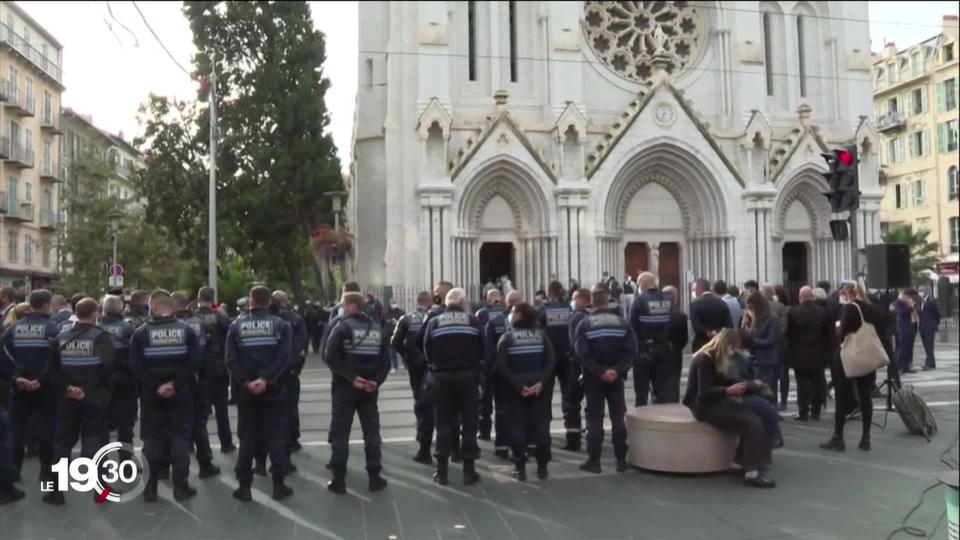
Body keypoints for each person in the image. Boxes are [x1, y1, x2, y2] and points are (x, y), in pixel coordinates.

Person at [129, 290, 200, 502]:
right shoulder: (186, 331)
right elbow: (194, 362)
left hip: (151, 394)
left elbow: (136, 367)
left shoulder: (141, 333)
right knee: (180, 438)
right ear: (171, 308)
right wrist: (175, 384)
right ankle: (181, 487)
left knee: (152, 440)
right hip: (181, 392)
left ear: (153, 308)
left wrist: (155, 386)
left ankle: (150, 489)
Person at [42, 298, 115, 505]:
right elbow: (108, 370)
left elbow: (51, 371)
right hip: (94, 397)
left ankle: (55, 490)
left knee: (63, 444)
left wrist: (68, 388)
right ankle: (101, 492)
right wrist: (87, 391)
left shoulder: (60, 337)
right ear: (95, 314)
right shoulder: (102, 338)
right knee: (96, 441)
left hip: (67, 398)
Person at [225, 286, 294, 501]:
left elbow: (230, 360)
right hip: (275, 389)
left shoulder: (236, 326)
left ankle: (244, 486)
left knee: (247, 438)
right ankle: (279, 484)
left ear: (250, 302)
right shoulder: (282, 326)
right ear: (270, 302)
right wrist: (265, 379)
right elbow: (284, 358)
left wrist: (247, 382)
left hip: (246, 392)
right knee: (276, 436)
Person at [683, 329, 776, 487]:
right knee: (752, 423)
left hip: (711, 402)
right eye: (732, 348)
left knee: (751, 419)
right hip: (704, 407)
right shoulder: (704, 360)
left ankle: (741, 463)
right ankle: (750, 471)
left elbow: (723, 379)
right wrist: (728, 391)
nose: (733, 353)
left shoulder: (710, 357)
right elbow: (703, 393)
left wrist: (749, 385)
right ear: (726, 345)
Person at [422, 288, 484, 486]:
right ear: (463, 302)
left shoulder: (434, 322)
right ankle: (468, 471)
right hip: (468, 379)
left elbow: (427, 351)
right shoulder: (473, 322)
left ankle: (442, 473)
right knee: (469, 424)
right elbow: (484, 351)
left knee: (443, 425)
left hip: (441, 380)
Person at [574, 285, 638, 474]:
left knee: (595, 418)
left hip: (593, 377)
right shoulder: (622, 323)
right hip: (616, 377)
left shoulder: (585, 324)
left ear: (592, 301)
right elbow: (631, 351)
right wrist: (616, 370)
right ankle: (620, 460)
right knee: (618, 417)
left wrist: (600, 371)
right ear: (608, 299)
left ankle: (595, 461)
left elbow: (581, 353)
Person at [2, 290, 60, 487]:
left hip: (19, 387)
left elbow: (4, 354)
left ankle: (15, 469)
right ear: (45, 305)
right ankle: (45, 470)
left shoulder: (14, 328)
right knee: (47, 429)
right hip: (46, 387)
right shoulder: (54, 329)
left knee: (17, 430)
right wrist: (40, 379)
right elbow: (56, 359)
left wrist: (17, 377)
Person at [497, 302, 556, 481]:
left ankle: (519, 467)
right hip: (539, 388)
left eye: (513, 311)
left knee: (517, 427)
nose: (511, 313)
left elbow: (501, 366)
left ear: (520, 315)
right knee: (541, 426)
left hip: (516, 389)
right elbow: (551, 361)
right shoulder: (541, 335)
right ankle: (542, 467)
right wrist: (541, 383)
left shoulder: (507, 338)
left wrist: (519, 386)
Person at [821, 282, 880, 453]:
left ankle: (838, 437)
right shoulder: (870, 308)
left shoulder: (850, 308)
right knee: (865, 397)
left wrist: (839, 327)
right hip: (867, 356)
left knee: (842, 397)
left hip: (849, 357)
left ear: (847, 293)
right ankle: (865, 437)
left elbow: (842, 333)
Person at [172, 292, 221, 479]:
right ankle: (205, 464)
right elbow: (212, 353)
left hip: (173, 382)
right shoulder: (201, 324)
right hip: (198, 379)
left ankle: (166, 468)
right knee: (199, 423)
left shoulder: (165, 326)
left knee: (174, 426)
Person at [391, 291, 434, 464]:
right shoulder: (436, 317)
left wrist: (407, 357)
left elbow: (394, 342)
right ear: (429, 301)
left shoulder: (406, 318)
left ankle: (421, 430)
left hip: (415, 365)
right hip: (433, 364)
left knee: (419, 398)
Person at [536, 281, 578, 450]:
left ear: (548, 292)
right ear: (562, 292)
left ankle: (544, 439)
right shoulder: (570, 310)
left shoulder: (541, 311)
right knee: (571, 398)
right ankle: (573, 438)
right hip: (568, 359)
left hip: (548, 360)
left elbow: (537, 334)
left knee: (544, 400)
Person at [194, 287, 235, 453]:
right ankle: (226, 443)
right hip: (218, 367)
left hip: (198, 369)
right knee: (221, 408)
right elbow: (232, 334)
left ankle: (195, 445)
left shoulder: (192, 318)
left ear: (198, 298)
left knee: (198, 411)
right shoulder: (220, 317)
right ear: (213, 299)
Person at [483, 290, 522, 459]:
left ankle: (502, 446)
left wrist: (492, 368)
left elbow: (488, 348)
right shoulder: (530, 321)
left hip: (500, 373)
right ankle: (523, 445)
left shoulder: (494, 320)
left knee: (502, 410)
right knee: (521, 410)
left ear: (507, 302)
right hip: (523, 372)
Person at [271, 290, 308, 458]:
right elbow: (302, 343)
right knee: (292, 405)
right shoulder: (296, 319)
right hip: (291, 370)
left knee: (275, 408)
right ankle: (293, 438)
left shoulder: (270, 319)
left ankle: (279, 439)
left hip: (273, 371)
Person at [99, 295, 138, 449]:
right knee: (125, 425)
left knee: (101, 424)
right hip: (125, 381)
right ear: (121, 309)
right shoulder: (129, 329)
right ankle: (126, 465)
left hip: (101, 382)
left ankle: (102, 466)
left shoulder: (95, 328)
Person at [629, 272, 673, 406]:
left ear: (642, 284)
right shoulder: (668, 299)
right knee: (661, 390)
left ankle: (642, 420)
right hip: (663, 350)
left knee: (641, 391)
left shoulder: (639, 301)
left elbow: (632, 327)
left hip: (644, 350)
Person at [787, 287, 830, 421]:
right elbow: (827, 334)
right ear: (812, 296)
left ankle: (803, 411)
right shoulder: (822, 312)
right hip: (818, 352)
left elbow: (789, 334)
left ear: (800, 297)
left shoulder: (793, 312)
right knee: (817, 383)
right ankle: (816, 411)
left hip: (799, 353)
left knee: (801, 385)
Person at [564, 288, 592, 451]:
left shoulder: (577, 317)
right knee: (592, 403)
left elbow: (575, 342)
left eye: (574, 298)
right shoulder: (591, 316)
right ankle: (592, 436)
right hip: (592, 365)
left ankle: (573, 440)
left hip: (577, 365)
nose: (572, 301)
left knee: (572, 402)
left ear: (583, 299)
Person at [742, 292, 781, 393]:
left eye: (750, 308)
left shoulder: (772, 319)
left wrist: (751, 341)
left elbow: (770, 341)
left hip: (766, 361)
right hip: (751, 361)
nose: (748, 310)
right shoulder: (750, 320)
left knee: (767, 391)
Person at [690, 278, 733, 351]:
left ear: (699, 288)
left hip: (701, 345)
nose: (694, 292)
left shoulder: (695, 304)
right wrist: (718, 333)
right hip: (719, 344)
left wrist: (709, 332)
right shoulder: (722, 303)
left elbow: (696, 326)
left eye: (694, 289)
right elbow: (729, 325)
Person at [662, 285, 689, 402]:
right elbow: (685, 338)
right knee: (674, 380)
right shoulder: (681, 316)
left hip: (659, 352)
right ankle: (673, 402)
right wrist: (678, 347)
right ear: (675, 298)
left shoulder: (657, 314)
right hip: (675, 352)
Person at [766, 285, 791, 411]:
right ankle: (784, 401)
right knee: (783, 373)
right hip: (781, 343)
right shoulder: (780, 307)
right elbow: (784, 325)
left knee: (771, 375)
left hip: (766, 346)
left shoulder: (760, 306)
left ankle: (772, 401)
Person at [893, 289, 919, 374]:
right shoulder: (898, 303)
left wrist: (912, 306)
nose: (908, 298)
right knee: (902, 348)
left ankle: (906, 366)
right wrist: (911, 307)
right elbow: (902, 312)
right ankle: (899, 366)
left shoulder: (906, 303)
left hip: (909, 327)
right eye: (906, 296)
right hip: (902, 328)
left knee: (908, 348)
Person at [917, 287, 941, 371]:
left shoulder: (931, 301)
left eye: (922, 291)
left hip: (930, 326)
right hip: (922, 327)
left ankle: (928, 364)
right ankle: (932, 363)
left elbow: (937, 313)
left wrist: (935, 324)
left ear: (926, 292)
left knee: (929, 345)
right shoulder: (920, 302)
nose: (920, 293)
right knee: (926, 346)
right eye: (919, 291)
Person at [384, 299, 405, 373]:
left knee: (402, 350)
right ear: (390, 304)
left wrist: (398, 323)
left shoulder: (401, 312)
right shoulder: (386, 313)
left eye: (395, 303)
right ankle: (395, 366)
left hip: (399, 333)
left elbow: (405, 321)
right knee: (392, 351)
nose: (394, 305)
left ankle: (406, 365)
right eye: (393, 303)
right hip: (389, 334)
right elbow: (384, 322)